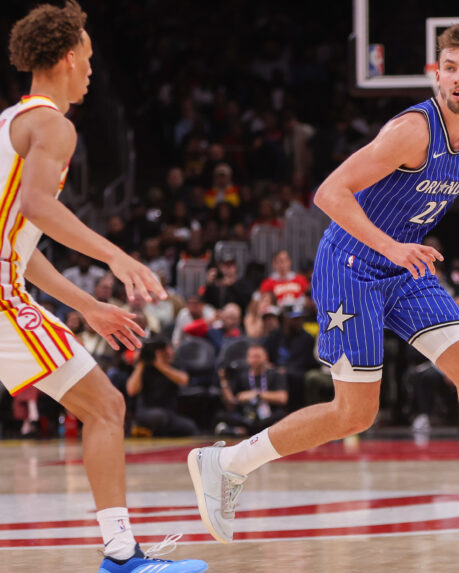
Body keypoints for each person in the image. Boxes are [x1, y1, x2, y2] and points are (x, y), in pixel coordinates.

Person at [189, 24, 459, 560]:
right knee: (354, 414)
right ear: (436, 73)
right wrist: (393, 246)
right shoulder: (412, 131)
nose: (457, 77)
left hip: (404, 266)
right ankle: (227, 464)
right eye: (449, 67)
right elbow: (329, 192)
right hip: (352, 263)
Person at [2, 3, 207, 571]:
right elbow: (39, 208)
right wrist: (116, 256)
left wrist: (88, 304)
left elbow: (20, 245)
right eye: (88, 58)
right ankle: (121, 555)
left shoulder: (10, 122)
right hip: (0, 296)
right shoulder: (53, 124)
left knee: (105, 406)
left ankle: (122, 552)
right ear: (68, 58)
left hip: (6, 286)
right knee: (106, 407)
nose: (92, 69)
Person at [126, 338, 197, 437]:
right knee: (159, 416)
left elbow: (184, 380)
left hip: (170, 413)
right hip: (146, 412)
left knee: (189, 427)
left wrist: (160, 365)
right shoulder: (143, 368)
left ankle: (151, 432)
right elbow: (131, 390)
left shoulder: (173, 365)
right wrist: (141, 363)